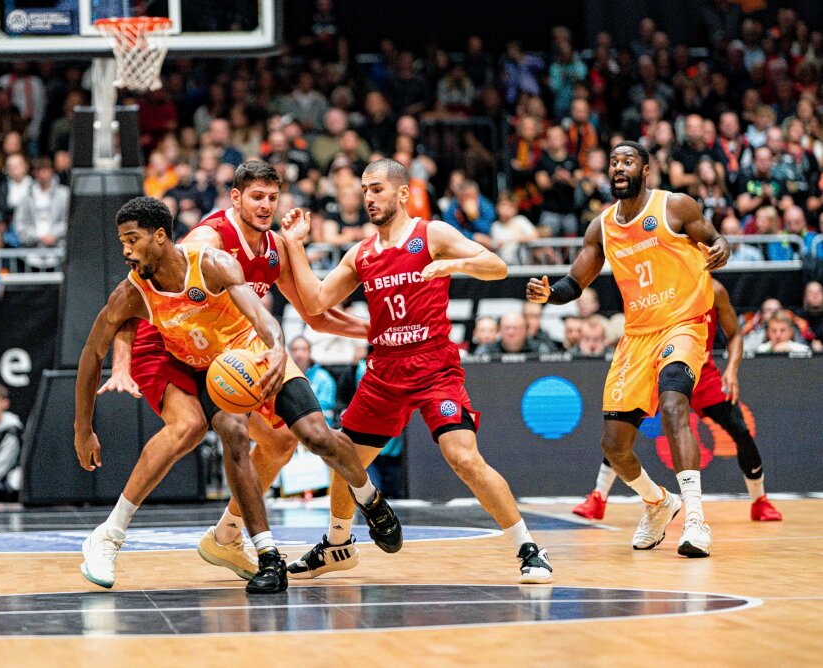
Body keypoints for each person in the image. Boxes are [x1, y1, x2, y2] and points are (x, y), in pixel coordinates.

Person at [74, 197, 400, 595]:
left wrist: (278, 346)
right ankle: (263, 555)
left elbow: (264, 314)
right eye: (122, 240)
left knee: (313, 436)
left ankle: (370, 500)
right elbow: (93, 352)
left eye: (131, 239)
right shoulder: (134, 289)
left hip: (252, 351)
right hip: (209, 367)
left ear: (160, 237)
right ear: (237, 200)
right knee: (217, 431)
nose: (125, 250)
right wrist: (83, 427)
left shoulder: (214, 261)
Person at [280, 158, 552, 583]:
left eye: (377, 189)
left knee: (463, 457)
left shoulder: (432, 234)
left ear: (403, 193)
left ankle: (529, 548)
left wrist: (453, 265)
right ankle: (337, 545)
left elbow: (497, 267)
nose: (369, 198)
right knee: (344, 458)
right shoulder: (361, 254)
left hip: (434, 368)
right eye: (365, 190)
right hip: (384, 370)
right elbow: (314, 303)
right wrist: (295, 244)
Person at [527, 140, 730, 558]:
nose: (619, 167)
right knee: (614, 445)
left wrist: (721, 249)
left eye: (628, 161)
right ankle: (658, 502)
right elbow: (574, 282)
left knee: (675, 406)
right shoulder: (601, 226)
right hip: (637, 337)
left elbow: (714, 239)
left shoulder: (675, 206)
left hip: (682, 324)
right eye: (614, 161)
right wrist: (550, 293)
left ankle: (695, 519)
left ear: (646, 169)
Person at [573, 280, 783, 522]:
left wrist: (732, 369)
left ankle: (759, 500)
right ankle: (598, 496)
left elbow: (735, 333)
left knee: (740, 430)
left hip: (702, 373)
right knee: (623, 427)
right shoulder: (661, 285)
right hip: (664, 369)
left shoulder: (714, 290)